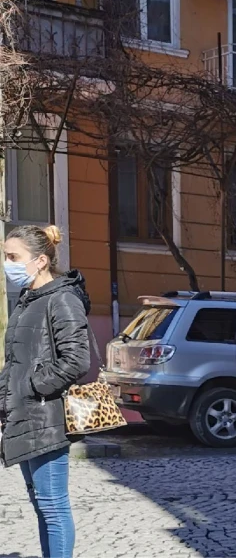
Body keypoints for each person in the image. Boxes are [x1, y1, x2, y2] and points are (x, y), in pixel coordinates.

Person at [0, 224, 92, 558]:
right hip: (23, 415)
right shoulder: (27, 301)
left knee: (53, 506)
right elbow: (15, 361)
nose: (7, 264)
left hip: (46, 417)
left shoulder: (62, 298)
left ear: (40, 261)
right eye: (5, 256)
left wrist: (31, 387)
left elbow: (76, 360)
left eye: (13, 257)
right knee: (41, 504)